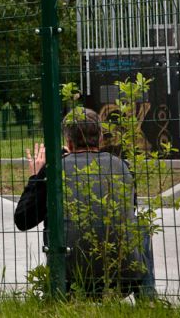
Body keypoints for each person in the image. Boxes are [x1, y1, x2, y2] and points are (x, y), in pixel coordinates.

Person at [14, 108, 156, 299]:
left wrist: (36, 177)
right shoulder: (122, 166)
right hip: (123, 280)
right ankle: (148, 298)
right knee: (140, 226)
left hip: (69, 283)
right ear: (99, 139)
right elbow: (130, 210)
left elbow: (23, 220)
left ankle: (55, 295)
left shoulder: (55, 170)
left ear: (69, 143)